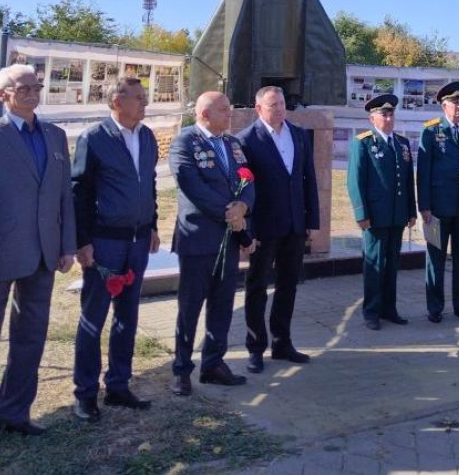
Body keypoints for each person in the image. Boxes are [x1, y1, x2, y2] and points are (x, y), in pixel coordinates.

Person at [0, 64, 76, 440]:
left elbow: (63, 196)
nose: (31, 92)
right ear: (2, 94)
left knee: (31, 337)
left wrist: (67, 244)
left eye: (35, 86)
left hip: (43, 253)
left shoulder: (54, 136)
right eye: (22, 87)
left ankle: (15, 412)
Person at [71, 77, 160, 422]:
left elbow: (149, 182)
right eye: (138, 98)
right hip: (104, 243)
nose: (144, 104)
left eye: (145, 98)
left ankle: (119, 386)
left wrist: (152, 223)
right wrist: (82, 241)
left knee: (128, 315)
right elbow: (79, 191)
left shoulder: (147, 136)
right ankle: (85, 393)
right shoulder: (95, 138)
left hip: (137, 241)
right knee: (94, 316)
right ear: (116, 101)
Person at [169, 92, 256, 395]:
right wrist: (228, 212)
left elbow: (248, 180)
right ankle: (181, 368)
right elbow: (191, 185)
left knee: (222, 306)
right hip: (198, 239)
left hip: (228, 240)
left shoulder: (232, 144)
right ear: (204, 114)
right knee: (189, 308)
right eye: (223, 110)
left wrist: (243, 207)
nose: (229, 114)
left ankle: (213, 364)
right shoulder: (185, 141)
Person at [237, 86, 319, 372]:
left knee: (288, 285)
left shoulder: (297, 134)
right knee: (257, 286)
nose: (280, 110)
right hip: (264, 226)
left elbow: (308, 178)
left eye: (282, 104)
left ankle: (282, 342)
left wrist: (311, 221)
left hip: (294, 224)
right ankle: (255, 347)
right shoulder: (246, 140)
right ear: (259, 109)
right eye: (273, 106)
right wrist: (249, 229)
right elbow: (244, 188)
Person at [417, 81, 459, 323]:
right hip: (437, 208)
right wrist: (424, 206)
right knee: (435, 257)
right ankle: (435, 307)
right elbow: (423, 172)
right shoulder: (431, 131)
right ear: (443, 106)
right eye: (454, 102)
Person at [347, 94, 416, 330]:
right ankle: (371, 312)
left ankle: (390, 308)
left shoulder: (402, 143)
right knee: (374, 265)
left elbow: (407, 181)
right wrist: (361, 214)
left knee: (392, 264)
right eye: (383, 114)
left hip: (397, 215)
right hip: (375, 217)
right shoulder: (363, 143)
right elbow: (355, 181)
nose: (388, 118)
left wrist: (411, 211)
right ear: (372, 118)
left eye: (391, 114)